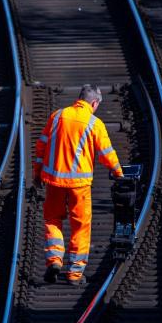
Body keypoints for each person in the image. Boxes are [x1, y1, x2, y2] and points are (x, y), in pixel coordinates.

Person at [32, 85, 124, 286]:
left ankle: (54, 261)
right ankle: (74, 274)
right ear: (93, 103)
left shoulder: (57, 116)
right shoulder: (94, 123)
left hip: (54, 181)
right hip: (79, 185)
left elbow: (41, 146)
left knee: (52, 220)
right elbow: (106, 153)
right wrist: (119, 173)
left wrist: (37, 173)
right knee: (80, 226)